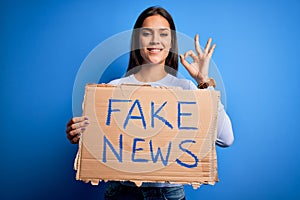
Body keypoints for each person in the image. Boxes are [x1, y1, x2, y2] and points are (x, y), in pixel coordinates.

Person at [66, 6, 234, 200]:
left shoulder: (186, 89)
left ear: (171, 42)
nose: (155, 40)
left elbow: (226, 138)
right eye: (147, 33)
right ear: (137, 41)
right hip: (122, 193)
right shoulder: (113, 89)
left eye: (163, 34)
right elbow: (98, 143)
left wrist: (203, 82)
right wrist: (81, 134)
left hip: (168, 194)